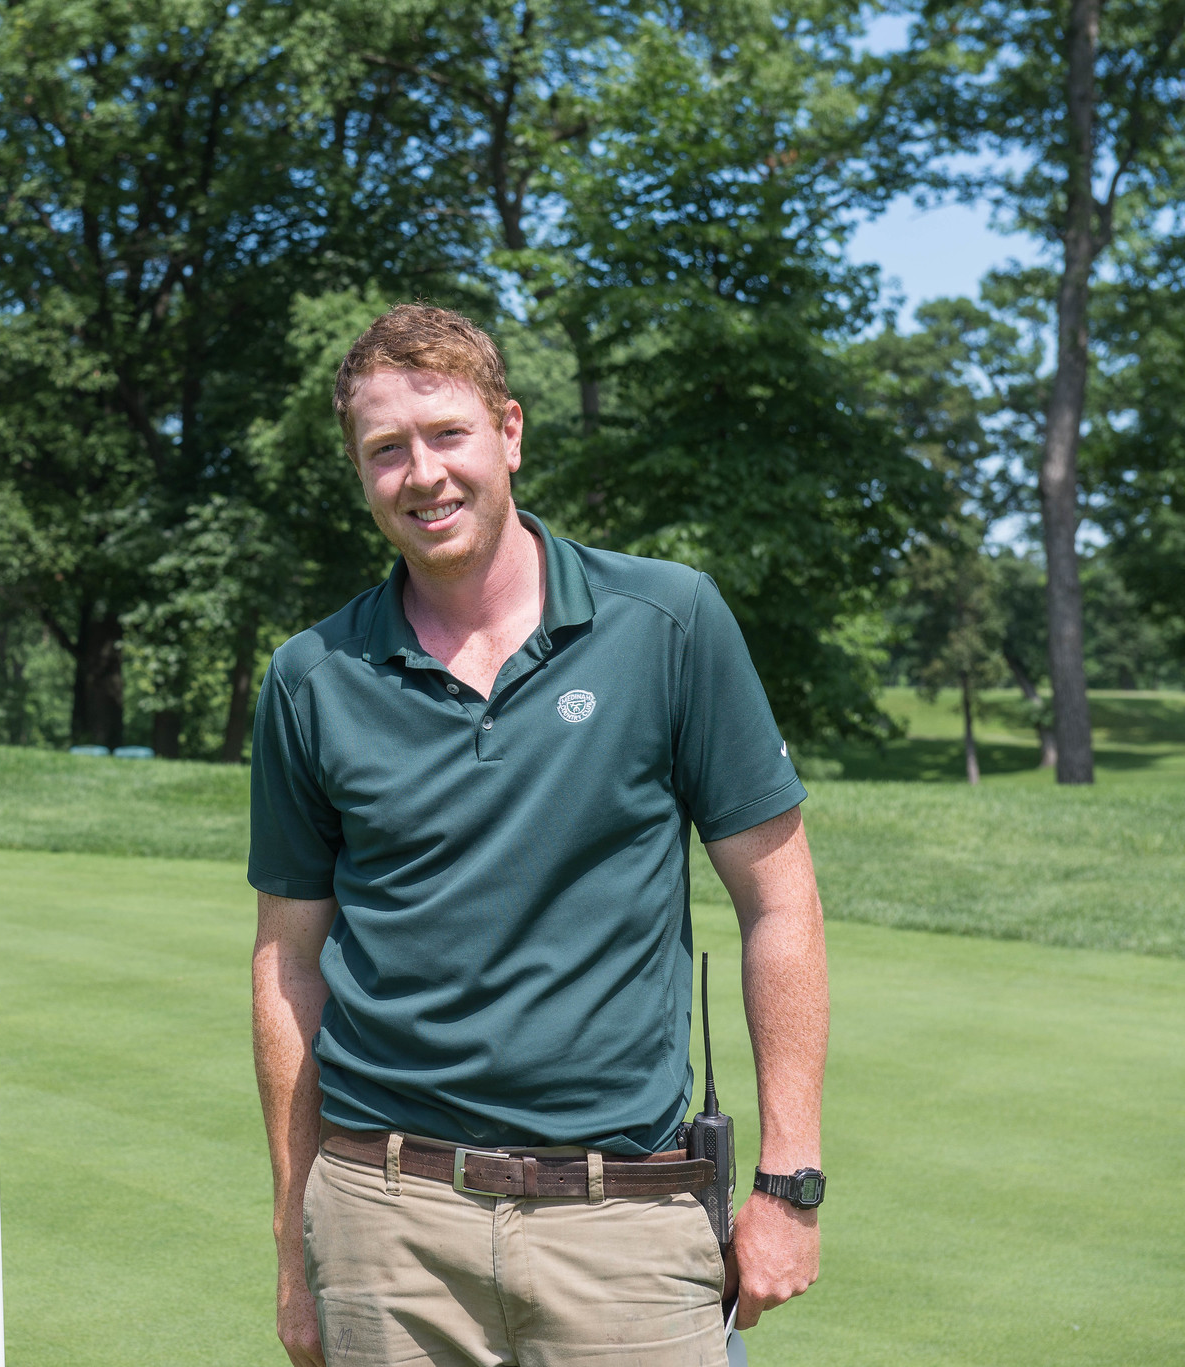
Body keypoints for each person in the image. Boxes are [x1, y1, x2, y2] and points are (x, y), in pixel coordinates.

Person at [248, 304, 828, 1367]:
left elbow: (779, 900)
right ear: (359, 471)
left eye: (447, 434)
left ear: (509, 432)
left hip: (626, 1221)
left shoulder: (668, 621)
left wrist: (788, 1181)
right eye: (386, 449)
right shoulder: (309, 677)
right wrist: (296, 1242)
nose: (422, 473)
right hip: (384, 1223)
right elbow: (286, 963)